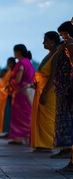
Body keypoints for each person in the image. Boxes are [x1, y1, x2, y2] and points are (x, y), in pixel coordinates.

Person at [30, 31, 60, 152]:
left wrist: (45, 92)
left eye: (46, 40)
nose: (43, 42)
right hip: (41, 89)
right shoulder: (50, 54)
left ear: (53, 42)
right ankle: (41, 144)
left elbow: (53, 76)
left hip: (49, 91)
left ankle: (47, 144)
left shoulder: (57, 55)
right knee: (40, 118)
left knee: (48, 118)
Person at [51, 21, 73, 159]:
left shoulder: (70, 46)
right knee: (62, 119)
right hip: (61, 89)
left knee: (68, 120)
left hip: (68, 88)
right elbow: (54, 64)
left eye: (64, 36)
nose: (63, 39)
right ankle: (65, 148)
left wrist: (69, 45)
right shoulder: (64, 47)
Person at [8, 44, 35, 144]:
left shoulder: (21, 63)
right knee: (27, 114)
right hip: (29, 91)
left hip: (20, 93)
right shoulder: (28, 62)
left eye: (14, 51)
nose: (13, 53)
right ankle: (28, 136)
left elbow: (18, 80)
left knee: (20, 115)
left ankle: (19, 137)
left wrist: (10, 83)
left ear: (18, 51)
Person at [0, 58, 15, 138]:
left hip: (10, 95)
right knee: (6, 115)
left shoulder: (12, 72)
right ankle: (7, 131)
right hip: (5, 96)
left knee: (10, 114)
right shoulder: (10, 72)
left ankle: (11, 132)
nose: (7, 65)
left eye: (8, 63)